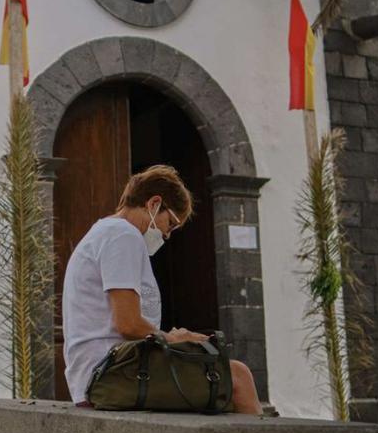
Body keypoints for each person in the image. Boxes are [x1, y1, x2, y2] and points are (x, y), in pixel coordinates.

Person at [62, 165, 262, 414]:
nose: (167, 235)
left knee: (221, 387)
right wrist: (175, 338)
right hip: (112, 374)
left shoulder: (105, 232)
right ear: (154, 203)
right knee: (238, 377)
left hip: (101, 372)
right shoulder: (123, 235)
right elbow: (128, 324)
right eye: (170, 223)